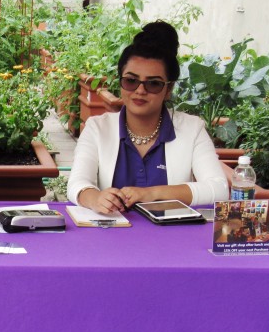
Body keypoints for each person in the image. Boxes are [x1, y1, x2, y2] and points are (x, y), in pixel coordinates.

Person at [67, 21, 229, 214]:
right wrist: (95, 199)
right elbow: (77, 183)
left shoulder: (192, 129)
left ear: (168, 89)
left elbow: (219, 189)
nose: (140, 91)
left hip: (173, 238)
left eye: (153, 84)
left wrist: (151, 193)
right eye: (131, 81)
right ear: (120, 83)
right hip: (111, 235)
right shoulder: (97, 128)